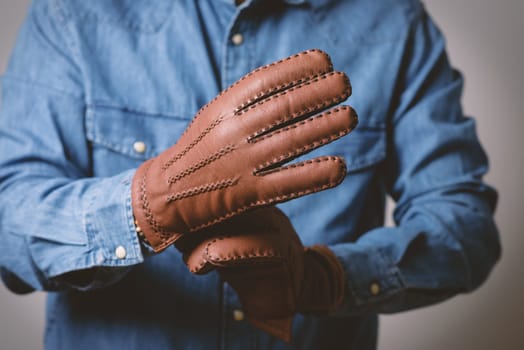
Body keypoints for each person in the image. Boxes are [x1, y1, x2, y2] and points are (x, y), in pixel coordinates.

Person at [0, 0, 500, 349]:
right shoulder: (75, 11)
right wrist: (145, 206)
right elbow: (7, 220)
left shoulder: (395, 23)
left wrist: (324, 280)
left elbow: (464, 220)